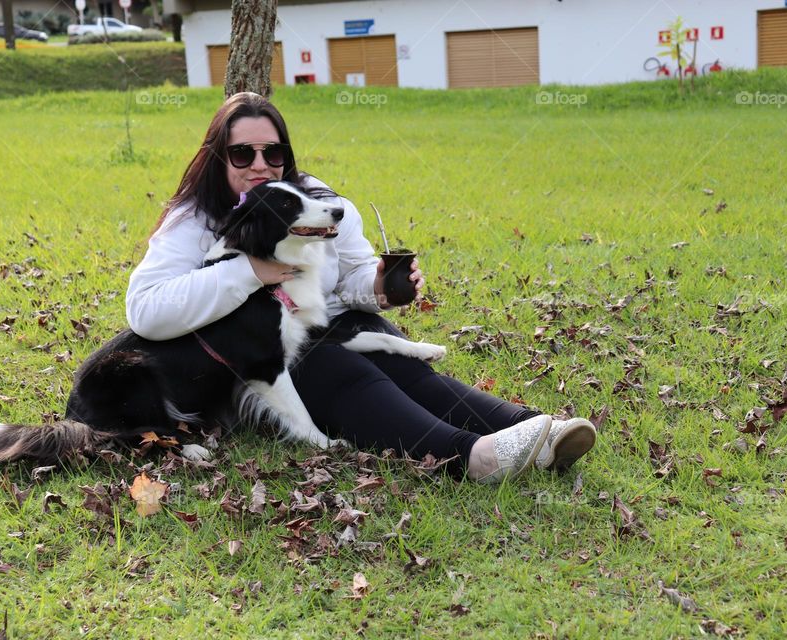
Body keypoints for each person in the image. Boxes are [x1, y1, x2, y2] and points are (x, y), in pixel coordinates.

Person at [125, 92, 596, 482]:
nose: (261, 165)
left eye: (274, 153)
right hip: (254, 359)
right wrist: (247, 270)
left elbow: (350, 276)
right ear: (218, 157)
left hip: (323, 326)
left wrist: (378, 285)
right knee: (335, 365)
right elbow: (145, 311)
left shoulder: (314, 201)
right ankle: (473, 456)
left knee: (399, 361)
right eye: (242, 153)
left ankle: (529, 427)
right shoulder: (193, 220)